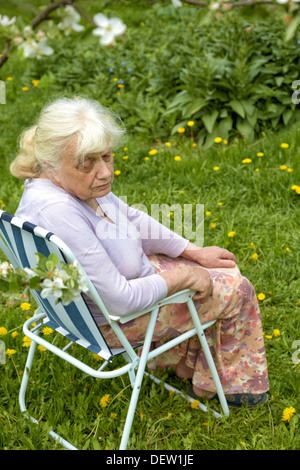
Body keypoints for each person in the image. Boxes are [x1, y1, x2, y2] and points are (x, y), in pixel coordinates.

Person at [11, 97, 269, 406]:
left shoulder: (56, 184)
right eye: (88, 163)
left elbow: (131, 217)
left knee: (218, 270)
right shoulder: (59, 211)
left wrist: (193, 252)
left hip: (96, 303)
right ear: (52, 162)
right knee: (237, 288)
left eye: (107, 156)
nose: (105, 172)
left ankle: (190, 365)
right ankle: (234, 387)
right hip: (113, 323)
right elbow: (119, 300)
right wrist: (184, 275)